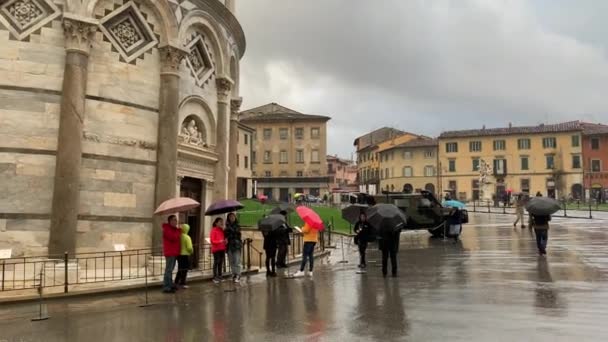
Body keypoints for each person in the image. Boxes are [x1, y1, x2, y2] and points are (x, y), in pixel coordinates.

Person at [162, 215, 182, 293]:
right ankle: (166, 286)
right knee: (168, 270)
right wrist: (179, 231)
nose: (176, 222)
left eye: (176, 220)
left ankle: (170, 284)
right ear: (169, 221)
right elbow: (173, 238)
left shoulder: (174, 229)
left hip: (174, 252)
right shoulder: (167, 229)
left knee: (171, 270)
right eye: (174, 220)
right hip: (170, 252)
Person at [225, 213, 242, 283]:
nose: (232, 218)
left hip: (236, 245)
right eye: (230, 217)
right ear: (228, 218)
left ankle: (238, 274)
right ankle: (234, 273)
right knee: (231, 261)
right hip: (229, 245)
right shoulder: (226, 226)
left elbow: (237, 233)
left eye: (233, 217)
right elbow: (226, 235)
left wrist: (229, 228)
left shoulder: (237, 226)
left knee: (237, 260)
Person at [174, 223, 193, 289]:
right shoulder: (187, 237)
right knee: (185, 270)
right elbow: (189, 247)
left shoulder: (179, 236)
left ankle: (176, 282)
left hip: (179, 255)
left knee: (180, 269)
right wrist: (191, 252)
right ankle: (182, 283)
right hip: (185, 255)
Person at [210, 217, 227, 284]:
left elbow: (224, 239)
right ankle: (215, 277)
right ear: (216, 223)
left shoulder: (222, 230)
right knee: (216, 262)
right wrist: (220, 241)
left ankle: (220, 276)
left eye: (222, 221)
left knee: (220, 263)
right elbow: (212, 241)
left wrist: (225, 241)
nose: (221, 223)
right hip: (216, 249)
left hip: (222, 249)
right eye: (220, 221)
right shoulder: (213, 230)